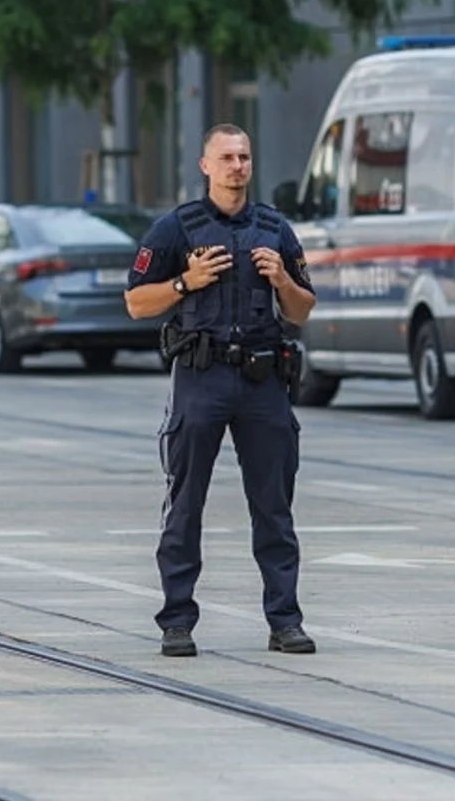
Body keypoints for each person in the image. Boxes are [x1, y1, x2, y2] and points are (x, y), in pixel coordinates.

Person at [125, 124, 318, 659]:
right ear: (205, 166)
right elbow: (137, 303)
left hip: (262, 380)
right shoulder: (176, 229)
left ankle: (285, 621)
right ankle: (177, 621)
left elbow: (302, 310)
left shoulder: (274, 229)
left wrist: (282, 280)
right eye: (227, 157)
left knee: (274, 508)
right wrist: (186, 283)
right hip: (201, 377)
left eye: (245, 157)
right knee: (185, 504)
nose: (238, 166)